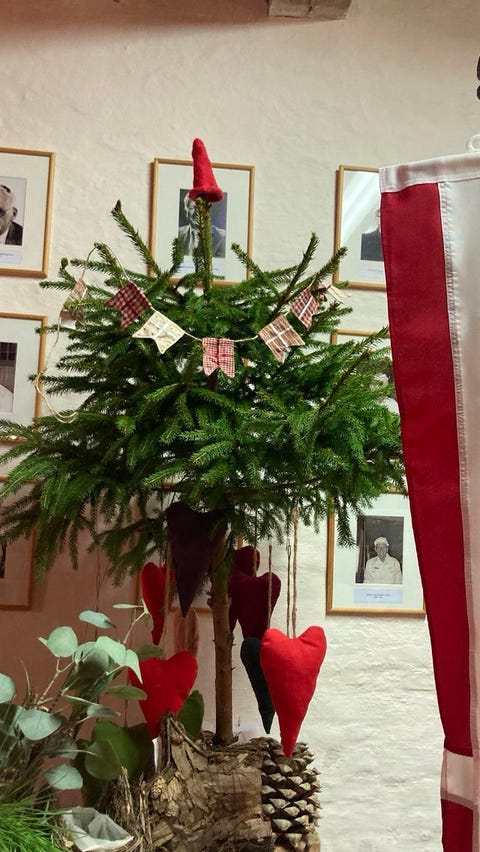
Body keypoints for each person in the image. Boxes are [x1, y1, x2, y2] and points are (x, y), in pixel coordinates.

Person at [178, 192, 226, 258]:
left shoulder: (222, 237)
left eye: (201, 207)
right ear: (186, 211)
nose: (197, 212)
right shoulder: (178, 234)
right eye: (192, 207)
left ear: (207, 210)